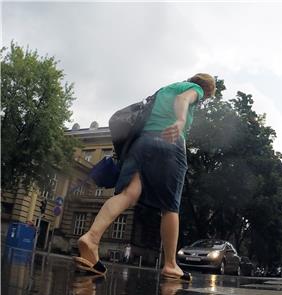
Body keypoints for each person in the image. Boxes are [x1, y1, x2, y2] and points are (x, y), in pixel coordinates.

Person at [74, 73, 216, 281]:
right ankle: (170, 264)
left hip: (141, 143)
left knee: (129, 193)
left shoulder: (165, 89)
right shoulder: (195, 90)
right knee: (170, 207)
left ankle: (91, 237)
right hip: (168, 144)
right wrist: (180, 120)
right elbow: (183, 100)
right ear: (207, 90)